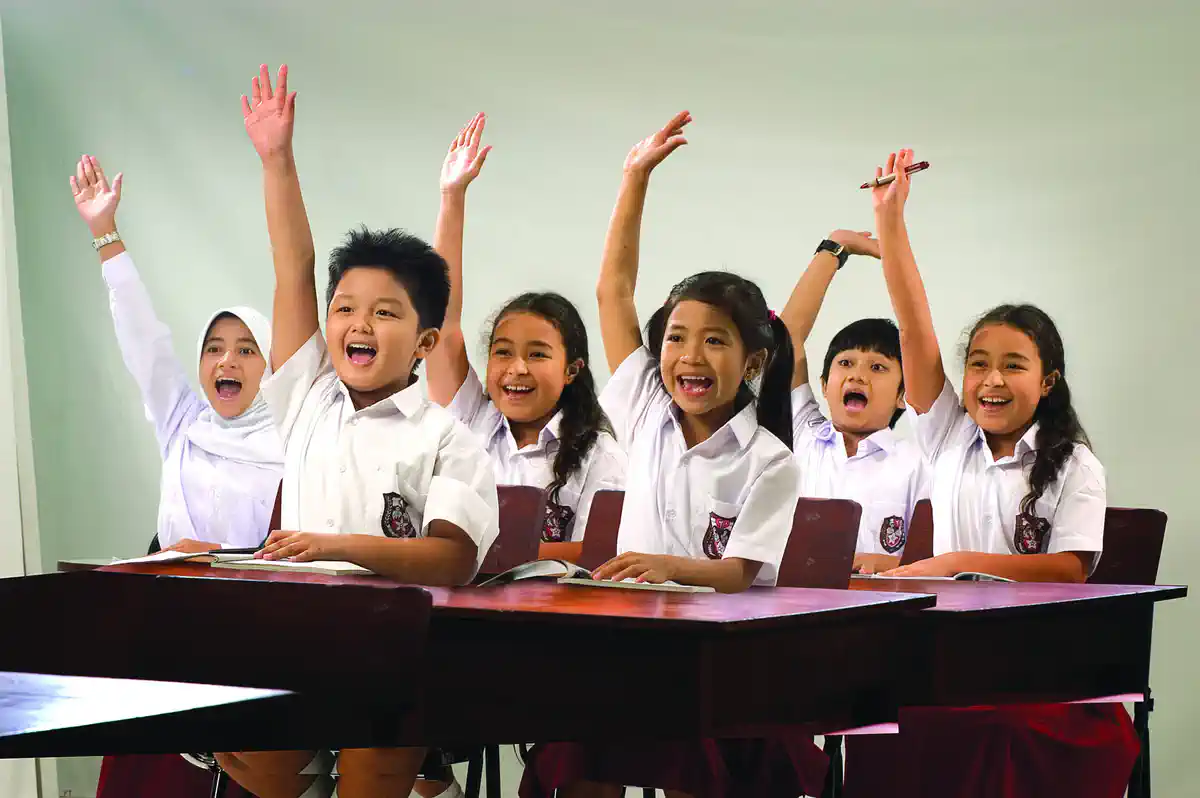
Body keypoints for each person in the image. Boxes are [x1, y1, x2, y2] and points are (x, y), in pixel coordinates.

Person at [214, 63, 499, 798]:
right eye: (344, 307)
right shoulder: (307, 395)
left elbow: (450, 561)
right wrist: (277, 158)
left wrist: (334, 550)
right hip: (297, 648)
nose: (357, 323)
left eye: (385, 311)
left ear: (427, 343)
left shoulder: (449, 437)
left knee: (373, 760)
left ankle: (421, 776)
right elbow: (293, 264)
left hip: (401, 657)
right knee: (239, 741)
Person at [521, 112, 822, 798]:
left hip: (717, 660)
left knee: (691, 745)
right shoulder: (647, 409)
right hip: (627, 647)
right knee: (577, 747)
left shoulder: (772, 460)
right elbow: (613, 291)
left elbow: (741, 574)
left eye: (714, 341)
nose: (689, 356)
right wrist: (634, 179)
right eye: (677, 337)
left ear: (753, 361)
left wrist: (663, 570)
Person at [845, 148, 1137, 798]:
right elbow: (915, 327)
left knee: (991, 731)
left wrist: (949, 562)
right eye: (977, 363)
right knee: (874, 717)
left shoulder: (1072, 462)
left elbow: (1068, 569)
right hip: (948, 658)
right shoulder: (950, 432)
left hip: (1043, 671)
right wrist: (890, 223)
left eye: (1013, 365)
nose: (991, 379)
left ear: (1048, 380)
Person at [72, 156, 280, 798]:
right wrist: (107, 236)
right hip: (166, 624)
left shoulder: (293, 438)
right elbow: (144, 339)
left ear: (271, 366)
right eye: (215, 347)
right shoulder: (182, 420)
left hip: (257, 631)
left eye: (247, 349)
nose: (227, 360)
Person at [426, 113, 625, 547]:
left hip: (551, 612)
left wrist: (490, 551)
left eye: (537, 354)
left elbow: (600, 555)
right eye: (502, 352)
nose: (516, 368)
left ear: (572, 369)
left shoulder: (599, 453)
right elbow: (443, 320)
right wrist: (451, 197)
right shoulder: (471, 420)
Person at [780, 234, 928, 573]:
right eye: (845, 363)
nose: (857, 377)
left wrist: (895, 563)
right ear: (823, 385)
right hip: (790, 610)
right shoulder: (802, 435)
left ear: (903, 395)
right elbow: (787, 339)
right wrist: (834, 248)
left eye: (877, 367)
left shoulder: (918, 462)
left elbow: (937, 557)